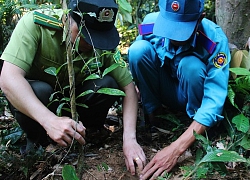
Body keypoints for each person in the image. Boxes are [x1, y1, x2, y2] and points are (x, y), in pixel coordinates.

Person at [0, 0, 146, 176]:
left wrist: (129, 139)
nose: (92, 44)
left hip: (78, 109)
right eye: (86, 36)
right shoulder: (37, 24)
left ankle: (88, 135)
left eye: (98, 38)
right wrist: (49, 121)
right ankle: (38, 143)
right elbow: (9, 78)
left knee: (107, 84)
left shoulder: (102, 45)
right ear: (68, 18)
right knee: (40, 90)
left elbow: (129, 88)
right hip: (41, 111)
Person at [128, 0, 231, 179]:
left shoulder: (214, 40)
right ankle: (154, 118)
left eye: (181, 29)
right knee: (137, 51)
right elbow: (142, 61)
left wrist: (176, 149)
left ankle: (193, 130)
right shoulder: (150, 23)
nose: (174, 36)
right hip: (165, 90)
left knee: (190, 65)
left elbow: (214, 100)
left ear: (200, 19)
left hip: (192, 96)